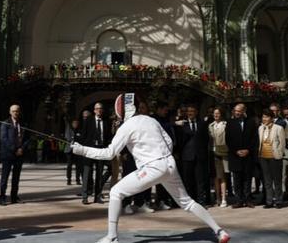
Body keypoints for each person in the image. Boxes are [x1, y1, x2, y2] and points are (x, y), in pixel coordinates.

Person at [71, 93, 230, 243]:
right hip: (169, 164)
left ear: (123, 110)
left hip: (153, 168)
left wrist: (81, 149)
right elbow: (168, 141)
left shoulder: (127, 127)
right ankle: (220, 231)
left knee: (115, 192)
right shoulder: (151, 120)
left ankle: (112, 237)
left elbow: (109, 153)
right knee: (187, 202)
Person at [225, 103, 257, 208]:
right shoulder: (230, 123)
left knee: (247, 179)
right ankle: (239, 200)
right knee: (237, 179)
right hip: (235, 155)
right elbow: (228, 140)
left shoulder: (251, 122)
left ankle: (248, 199)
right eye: (236, 110)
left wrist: (248, 150)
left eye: (239, 111)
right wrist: (236, 151)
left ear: (244, 111)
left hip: (248, 155)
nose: (237, 112)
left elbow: (254, 139)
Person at [81, 103, 110, 205]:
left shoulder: (106, 121)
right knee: (87, 173)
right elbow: (83, 135)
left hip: (101, 150)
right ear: (94, 110)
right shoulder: (88, 120)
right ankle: (85, 196)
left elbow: (108, 137)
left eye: (101, 109)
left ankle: (97, 196)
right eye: (97, 109)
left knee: (99, 173)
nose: (99, 110)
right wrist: (82, 149)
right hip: (89, 150)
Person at [0, 104, 28, 206]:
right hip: (8, 154)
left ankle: (14, 197)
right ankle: (2, 197)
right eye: (14, 111)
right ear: (10, 112)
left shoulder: (23, 123)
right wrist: (15, 149)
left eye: (17, 111)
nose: (16, 113)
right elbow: (4, 139)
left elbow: (27, 139)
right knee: (5, 177)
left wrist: (21, 149)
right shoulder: (5, 123)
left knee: (16, 177)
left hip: (19, 155)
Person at [179, 105, 209, 205]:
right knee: (188, 180)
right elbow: (180, 141)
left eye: (193, 111)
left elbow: (206, 139)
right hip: (187, 156)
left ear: (196, 112)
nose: (191, 113)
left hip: (200, 156)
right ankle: (191, 200)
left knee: (200, 179)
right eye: (189, 111)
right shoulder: (183, 124)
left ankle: (201, 201)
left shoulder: (202, 124)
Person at [258, 109, 285, 208]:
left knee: (277, 180)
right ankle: (269, 201)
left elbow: (282, 144)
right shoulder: (261, 128)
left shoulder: (278, 128)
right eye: (263, 117)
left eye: (266, 117)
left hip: (275, 157)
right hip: (263, 157)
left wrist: (279, 154)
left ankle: (279, 200)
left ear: (272, 118)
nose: (264, 119)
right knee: (267, 180)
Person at [208, 107, 229, 208]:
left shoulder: (225, 125)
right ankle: (218, 198)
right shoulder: (210, 125)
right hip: (213, 152)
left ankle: (224, 198)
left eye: (218, 113)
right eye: (214, 113)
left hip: (223, 152)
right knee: (216, 177)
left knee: (223, 176)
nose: (216, 115)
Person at [65, 118, 82, 186]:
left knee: (78, 166)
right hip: (69, 150)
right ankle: (69, 180)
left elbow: (81, 138)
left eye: (77, 123)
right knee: (69, 165)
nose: (75, 124)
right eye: (74, 123)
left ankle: (77, 180)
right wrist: (73, 139)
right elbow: (67, 137)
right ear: (72, 124)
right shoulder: (69, 128)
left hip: (77, 150)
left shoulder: (80, 130)